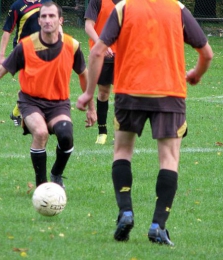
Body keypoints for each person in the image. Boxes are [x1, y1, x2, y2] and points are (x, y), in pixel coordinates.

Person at [77, 0, 213, 245]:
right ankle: (158, 225)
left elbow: (97, 51)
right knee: (169, 158)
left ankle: (126, 211)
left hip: (130, 91)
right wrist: (196, 74)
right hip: (169, 93)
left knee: (122, 151)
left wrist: (88, 93)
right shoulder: (177, 8)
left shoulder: (124, 8)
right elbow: (207, 53)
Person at [0, 1, 96, 188]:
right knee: (41, 133)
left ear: (60, 20)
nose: (47, 20)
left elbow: (84, 75)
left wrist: (91, 108)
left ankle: (56, 174)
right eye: (43, 16)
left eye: (52, 16)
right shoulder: (25, 47)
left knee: (66, 135)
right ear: (39, 21)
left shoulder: (72, 45)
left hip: (59, 103)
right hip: (30, 101)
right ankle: (42, 187)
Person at [0, 0, 50, 126]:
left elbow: (57, 25)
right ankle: (30, 114)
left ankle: (16, 113)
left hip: (44, 49)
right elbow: (7, 31)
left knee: (39, 84)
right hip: (23, 50)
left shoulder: (47, 3)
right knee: (34, 83)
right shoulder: (17, 6)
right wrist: (1, 55)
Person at [84, 0, 119, 144]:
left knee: (124, 92)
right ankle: (102, 131)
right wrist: (101, 44)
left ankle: (122, 131)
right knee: (104, 92)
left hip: (125, 54)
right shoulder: (98, 1)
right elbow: (88, 26)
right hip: (103, 54)